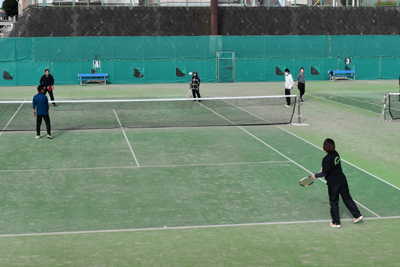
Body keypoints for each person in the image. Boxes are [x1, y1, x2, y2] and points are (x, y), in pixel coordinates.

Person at [311, 138, 363, 228]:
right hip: (342, 180)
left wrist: (315, 175)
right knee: (347, 198)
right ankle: (357, 215)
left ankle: (336, 222)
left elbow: (324, 173)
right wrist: (324, 169)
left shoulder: (326, 159)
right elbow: (332, 167)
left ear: (325, 147)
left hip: (334, 184)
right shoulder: (336, 153)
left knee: (334, 202)